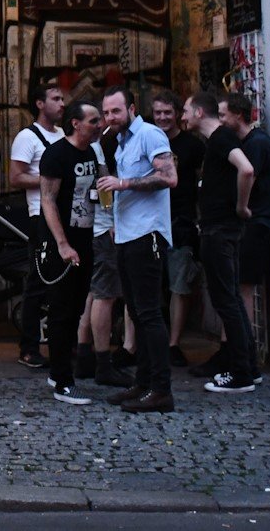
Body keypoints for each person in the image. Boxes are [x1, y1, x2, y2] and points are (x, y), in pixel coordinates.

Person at [97, 86, 178, 413]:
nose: (110, 118)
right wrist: (117, 218)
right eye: (106, 113)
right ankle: (143, 383)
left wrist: (124, 184)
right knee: (137, 312)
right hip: (128, 235)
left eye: (116, 111)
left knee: (149, 313)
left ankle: (162, 390)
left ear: (131, 108)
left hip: (148, 235)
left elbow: (169, 178)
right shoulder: (122, 142)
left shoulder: (150, 134)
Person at [182, 91, 257, 394]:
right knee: (231, 301)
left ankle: (240, 374)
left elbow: (247, 169)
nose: (182, 115)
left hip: (220, 230)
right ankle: (248, 367)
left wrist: (241, 206)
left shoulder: (221, 138)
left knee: (226, 301)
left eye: (186, 110)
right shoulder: (216, 141)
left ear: (199, 112)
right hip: (220, 229)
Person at [37, 100, 103, 404]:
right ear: (75, 123)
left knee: (76, 309)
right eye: (92, 120)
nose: (98, 124)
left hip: (85, 238)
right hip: (62, 244)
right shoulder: (57, 154)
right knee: (62, 311)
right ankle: (63, 381)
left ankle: (58, 369)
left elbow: (96, 194)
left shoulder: (90, 152)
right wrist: (62, 244)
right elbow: (48, 200)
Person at [9, 83, 65, 368]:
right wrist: (51, 180)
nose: (62, 103)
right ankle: (29, 347)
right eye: (56, 98)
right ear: (40, 103)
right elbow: (16, 177)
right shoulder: (27, 137)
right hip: (39, 215)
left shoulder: (65, 135)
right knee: (38, 281)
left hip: (63, 216)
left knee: (61, 282)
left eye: (63, 98)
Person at [75, 126, 135, 389]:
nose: (102, 123)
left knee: (92, 293)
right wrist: (111, 217)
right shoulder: (95, 148)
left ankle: (85, 354)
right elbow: (103, 189)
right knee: (105, 295)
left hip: (87, 227)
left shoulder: (77, 148)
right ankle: (102, 363)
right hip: (100, 230)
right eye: (96, 119)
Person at [222, 92, 270, 362]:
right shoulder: (249, 143)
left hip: (257, 223)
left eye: (223, 115)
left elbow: (249, 177)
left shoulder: (256, 143)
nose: (220, 120)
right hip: (255, 223)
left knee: (241, 287)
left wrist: (239, 208)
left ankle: (242, 353)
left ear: (237, 114)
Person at [151, 90, 205, 368]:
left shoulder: (193, 146)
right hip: (150, 222)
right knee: (148, 286)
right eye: (157, 112)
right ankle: (142, 345)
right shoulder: (146, 140)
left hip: (180, 222)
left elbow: (203, 181)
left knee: (179, 285)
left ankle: (173, 344)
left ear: (177, 114)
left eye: (167, 112)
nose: (162, 117)